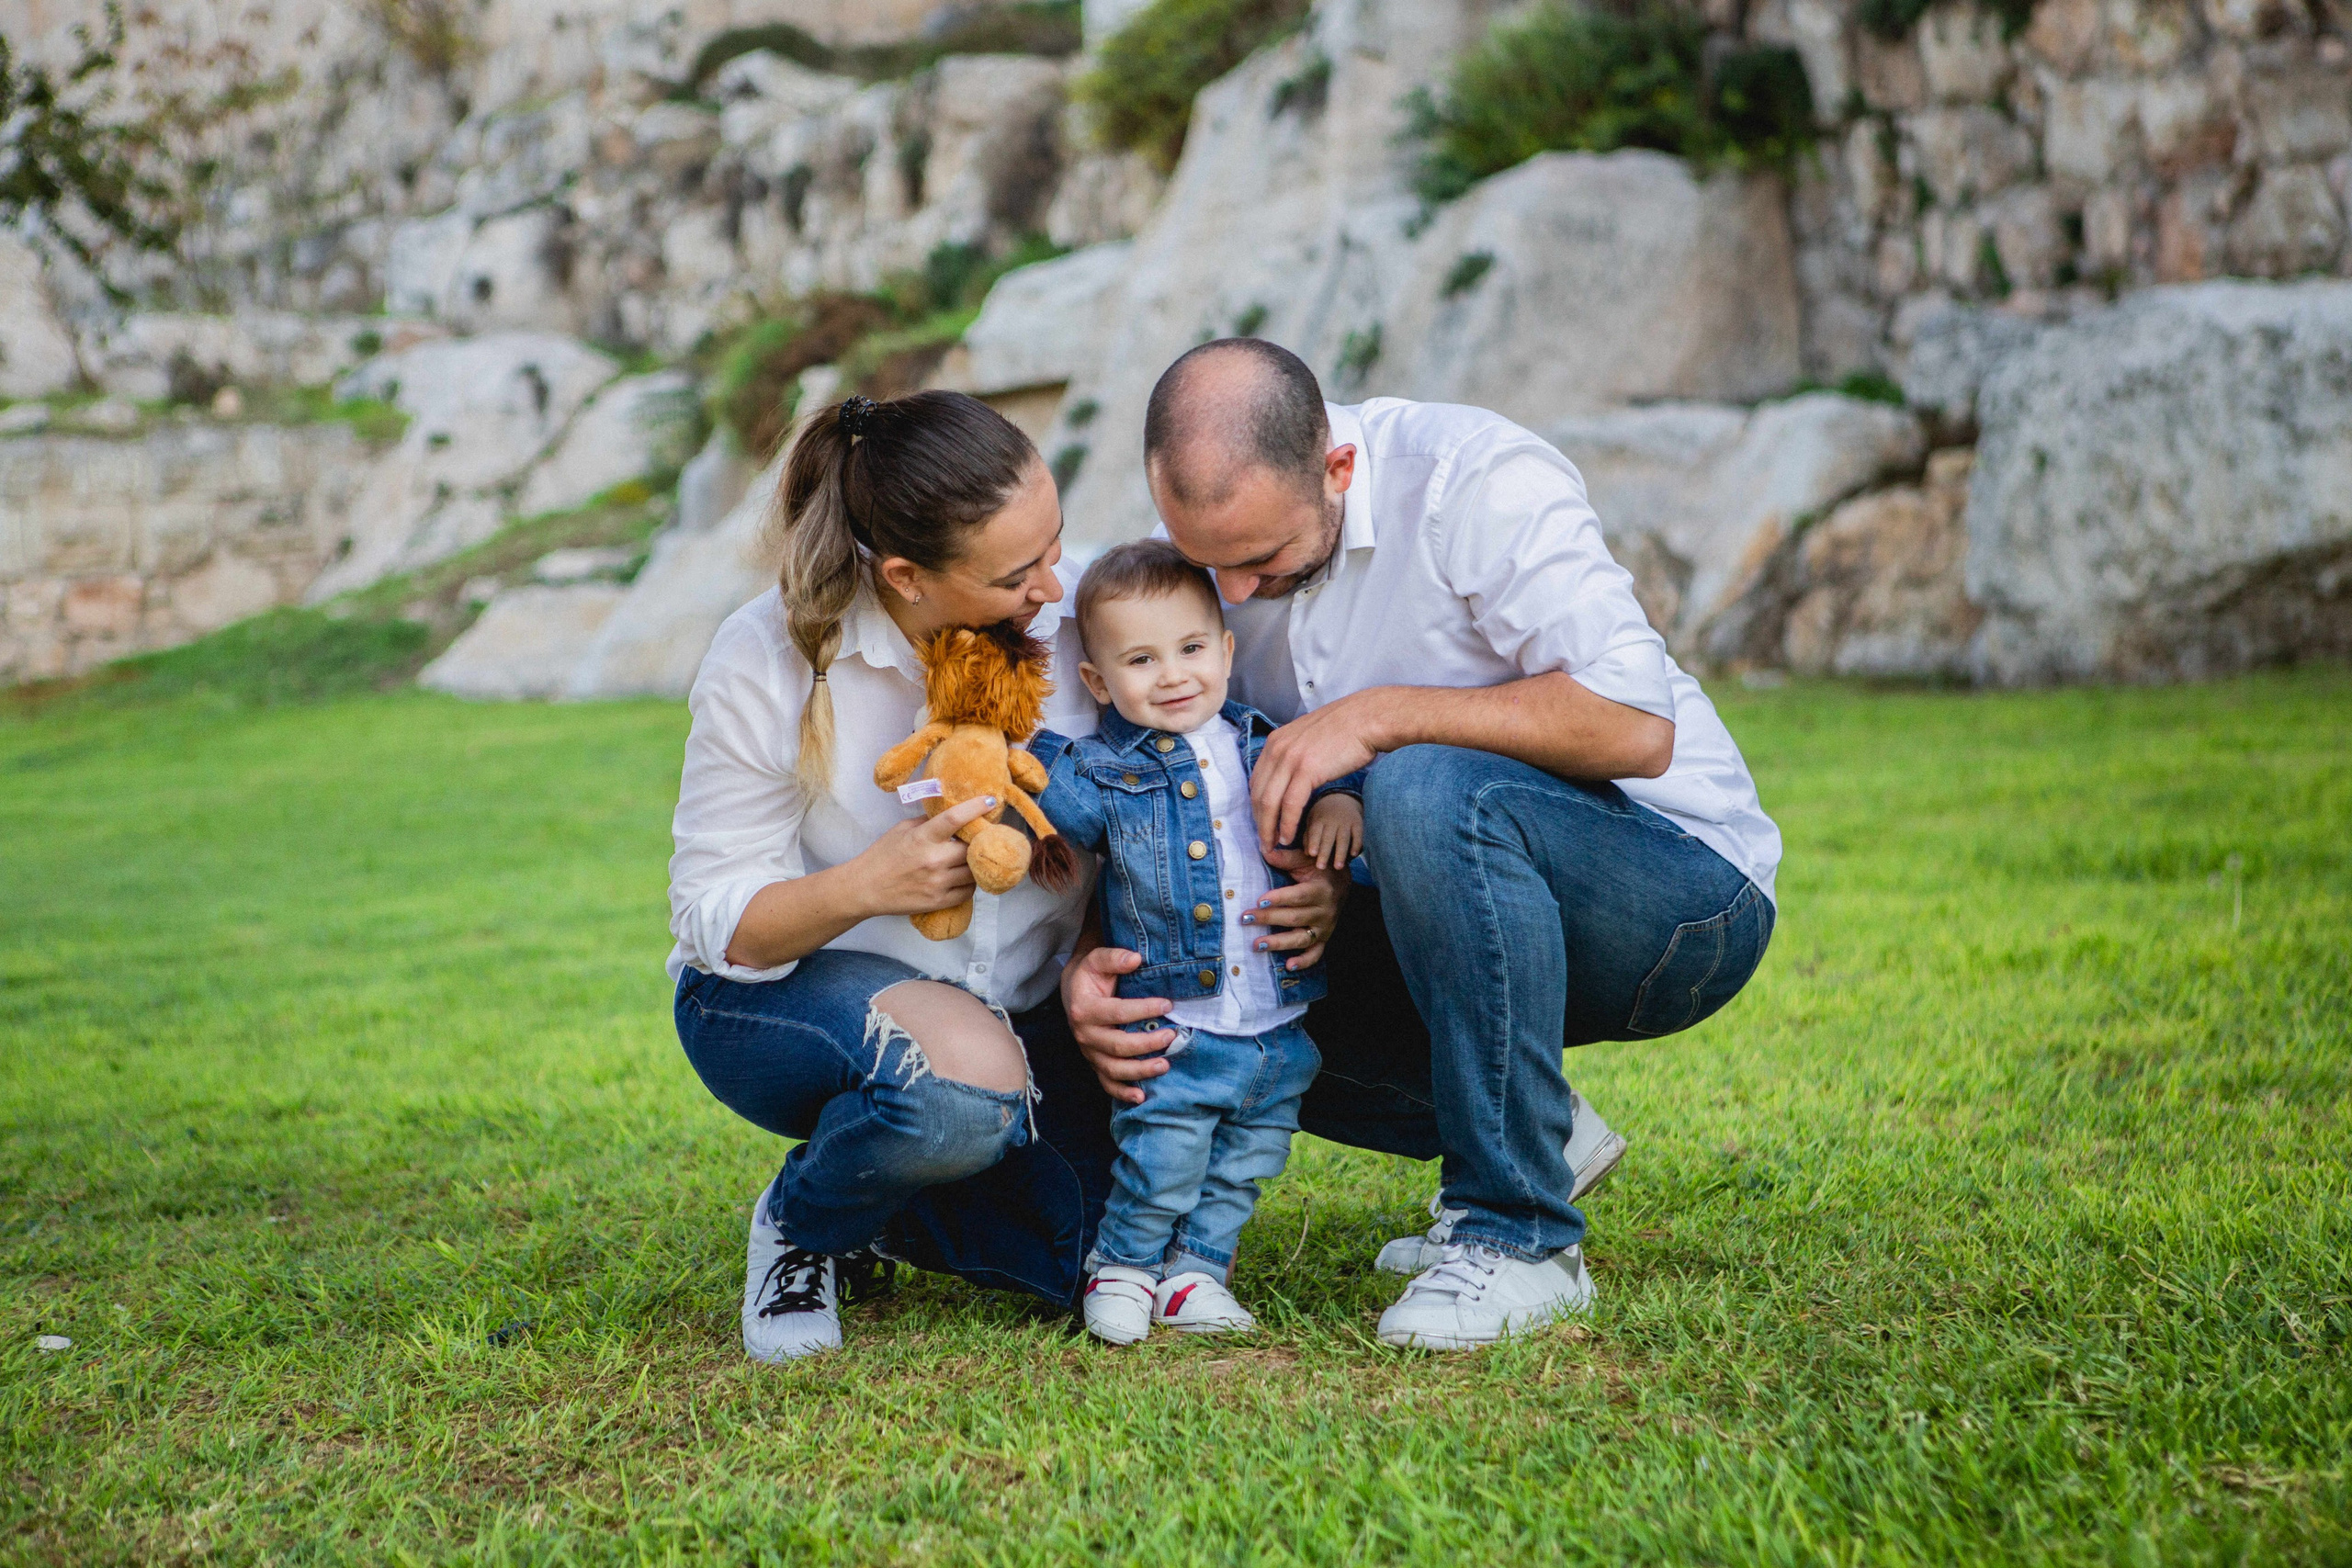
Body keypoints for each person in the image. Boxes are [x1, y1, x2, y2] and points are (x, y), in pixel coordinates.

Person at [1061, 340, 1782, 1350]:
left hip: (1679, 898)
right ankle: (1537, 1139)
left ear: (1337, 472)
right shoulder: (1206, 558)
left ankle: (1520, 1237)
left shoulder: (1473, 480)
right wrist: (1090, 960)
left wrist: (1378, 717)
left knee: (1422, 777)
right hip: (1437, 899)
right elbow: (1151, 780)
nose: (1227, 591)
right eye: (1205, 560)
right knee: (1234, 986)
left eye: (1258, 563)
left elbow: (1634, 724)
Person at [666, 391, 1227, 1362]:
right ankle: (807, 1220)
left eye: (1054, 544)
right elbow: (715, 919)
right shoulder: (768, 656)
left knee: (1099, 1266)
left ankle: (899, 1204)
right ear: (905, 576)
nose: (1055, 586)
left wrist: (1094, 957)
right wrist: (868, 884)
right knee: (962, 1092)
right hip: (786, 1003)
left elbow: (1167, 797)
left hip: (1031, 1009)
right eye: (1020, 572)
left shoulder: (1089, 618)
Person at [1027, 541, 1363, 1344]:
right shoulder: (1106, 770)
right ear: (1100, 684)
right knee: (1164, 1152)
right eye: (1141, 660)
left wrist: (1343, 803)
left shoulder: (1264, 742)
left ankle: (1195, 1273)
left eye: (1191, 649)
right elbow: (1053, 803)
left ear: (1226, 650)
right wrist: (1012, 751)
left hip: (1276, 1021)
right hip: (1177, 1020)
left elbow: (1326, 780)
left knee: (1249, 1157)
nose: (1174, 674)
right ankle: (1125, 1266)